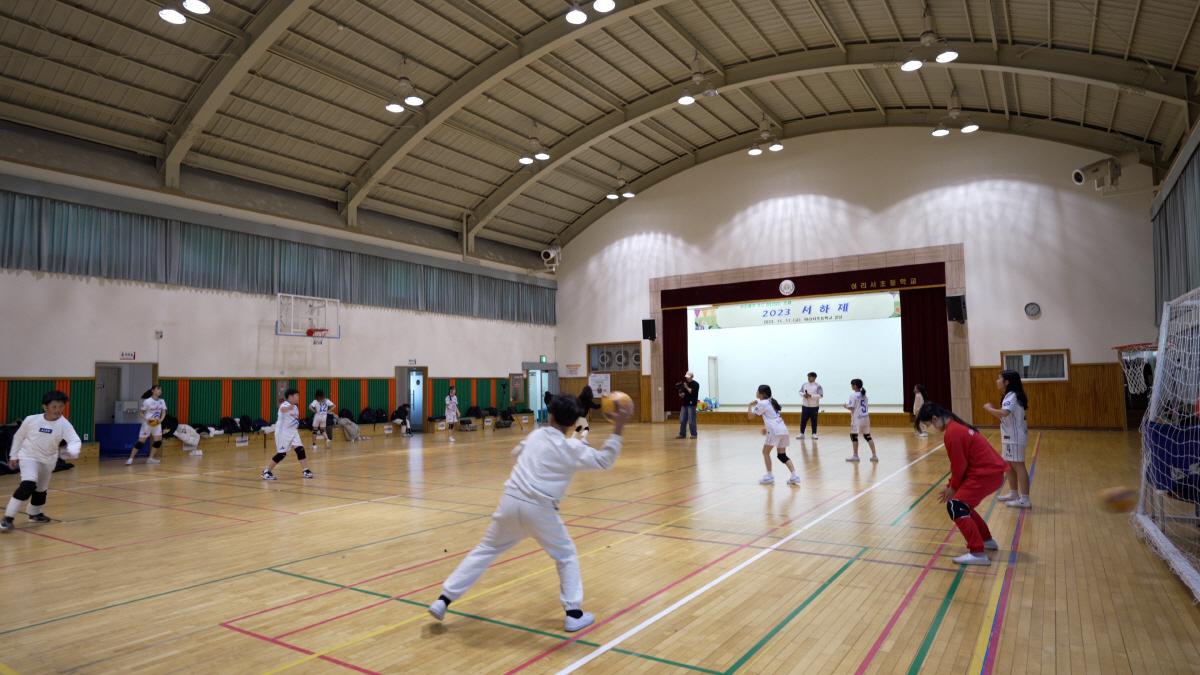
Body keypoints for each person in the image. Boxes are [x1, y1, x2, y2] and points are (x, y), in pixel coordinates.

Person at [427, 392, 633, 632]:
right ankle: (574, 613)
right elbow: (605, 460)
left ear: (551, 414)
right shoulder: (572, 448)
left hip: (510, 502)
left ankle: (443, 600)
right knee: (565, 555)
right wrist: (618, 427)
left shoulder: (537, 435)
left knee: (485, 550)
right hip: (540, 510)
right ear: (573, 421)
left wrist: (539, 450)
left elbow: (520, 450)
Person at [916, 401, 1009, 565]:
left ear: (935, 418)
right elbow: (960, 465)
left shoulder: (953, 433)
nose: (930, 428)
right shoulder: (956, 426)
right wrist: (953, 486)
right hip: (989, 474)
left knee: (956, 506)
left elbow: (959, 465)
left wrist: (953, 487)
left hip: (985, 475)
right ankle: (986, 540)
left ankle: (978, 553)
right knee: (961, 505)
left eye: (928, 424)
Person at [2, 390, 80, 532]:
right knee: (28, 484)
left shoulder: (64, 424)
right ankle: (8, 518)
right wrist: (14, 455)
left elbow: (74, 440)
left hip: (49, 459)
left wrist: (73, 451)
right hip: (29, 456)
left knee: (41, 489)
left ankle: (35, 514)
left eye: (61, 407)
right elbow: (19, 437)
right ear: (45, 407)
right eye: (54, 406)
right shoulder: (31, 420)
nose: (58, 410)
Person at [983, 370, 1031, 508]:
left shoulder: (1012, 396)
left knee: (1018, 465)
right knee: (1009, 466)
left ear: (1007, 382)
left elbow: (1004, 413)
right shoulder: (1009, 396)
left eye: (999, 378)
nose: (997, 381)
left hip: (1015, 437)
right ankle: (1014, 494)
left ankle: (1025, 499)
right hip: (1009, 436)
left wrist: (989, 408)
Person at [749, 385, 801, 485]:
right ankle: (795, 476)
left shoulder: (763, 403)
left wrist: (749, 405)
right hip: (783, 430)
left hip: (774, 431)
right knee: (782, 455)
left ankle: (769, 476)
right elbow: (773, 417)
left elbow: (750, 416)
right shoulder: (771, 402)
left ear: (760, 392)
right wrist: (766, 428)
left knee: (765, 452)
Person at [262, 389, 314, 480]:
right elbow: (282, 409)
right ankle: (266, 472)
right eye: (296, 396)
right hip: (283, 432)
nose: (298, 397)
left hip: (293, 431)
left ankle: (305, 470)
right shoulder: (285, 405)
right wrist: (287, 408)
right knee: (282, 454)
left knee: (300, 449)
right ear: (290, 396)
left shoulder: (295, 407)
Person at [125, 385, 166, 466]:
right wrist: (147, 420)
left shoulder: (162, 401)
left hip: (157, 424)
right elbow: (141, 412)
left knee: (158, 442)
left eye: (161, 389)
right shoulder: (147, 401)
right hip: (147, 424)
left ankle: (150, 458)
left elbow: (164, 412)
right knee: (140, 443)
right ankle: (130, 459)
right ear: (153, 391)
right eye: (158, 389)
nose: (160, 391)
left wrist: (161, 420)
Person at [845, 379, 877, 462]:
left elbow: (852, 407)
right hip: (865, 417)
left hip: (857, 418)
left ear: (855, 385)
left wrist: (846, 406)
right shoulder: (865, 395)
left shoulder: (853, 395)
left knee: (854, 435)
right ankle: (874, 455)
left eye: (852, 385)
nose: (851, 386)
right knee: (867, 436)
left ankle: (855, 456)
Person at [796, 372, 823, 440]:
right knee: (803, 420)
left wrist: (811, 396)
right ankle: (801, 433)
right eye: (808, 377)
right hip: (805, 405)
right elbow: (800, 392)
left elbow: (820, 395)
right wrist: (803, 395)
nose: (808, 378)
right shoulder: (804, 385)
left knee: (814, 420)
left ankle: (814, 433)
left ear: (814, 377)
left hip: (814, 406)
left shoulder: (818, 386)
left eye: (810, 377)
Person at [676, 371, 700, 439]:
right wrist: (682, 395)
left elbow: (692, 392)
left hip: (691, 404)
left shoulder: (696, 384)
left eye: (688, 377)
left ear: (692, 376)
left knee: (692, 419)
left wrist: (686, 387)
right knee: (682, 419)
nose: (687, 379)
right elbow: (684, 393)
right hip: (684, 404)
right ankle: (682, 434)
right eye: (686, 377)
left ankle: (694, 434)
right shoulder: (685, 384)